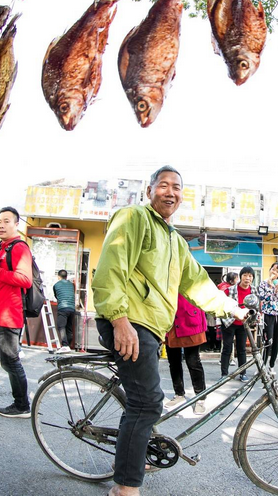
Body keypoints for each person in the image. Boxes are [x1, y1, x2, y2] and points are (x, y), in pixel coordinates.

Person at [92, 166, 246, 496]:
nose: (171, 192)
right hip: (130, 321)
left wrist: (235, 309)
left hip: (151, 327)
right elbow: (111, 267)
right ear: (150, 191)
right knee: (147, 404)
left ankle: (137, 452)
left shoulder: (176, 242)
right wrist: (119, 320)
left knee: (146, 398)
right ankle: (124, 487)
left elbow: (199, 284)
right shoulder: (134, 217)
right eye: (163, 185)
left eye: (177, 187)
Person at [0, 206, 33, 419]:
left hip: (9, 316)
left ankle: (22, 405)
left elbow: (25, 280)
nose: (1, 225)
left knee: (9, 361)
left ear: (16, 224)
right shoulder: (0, 247)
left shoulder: (19, 248)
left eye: (6, 221)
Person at [164, 294, 208, 415]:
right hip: (170, 321)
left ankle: (200, 397)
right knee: (173, 362)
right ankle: (179, 394)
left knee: (193, 361)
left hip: (190, 317)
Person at [221, 266, 256, 382]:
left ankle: (243, 373)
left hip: (244, 324)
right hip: (229, 322)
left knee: (242, 349)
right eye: (245, 275)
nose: (247, 278)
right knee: (227, 348)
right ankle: (224, 374)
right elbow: (221, 303)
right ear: (240, 277)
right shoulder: (230, 290)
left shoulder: (254, 291)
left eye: (250, 276)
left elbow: (257, 307)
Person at [258, 262, 278, 375]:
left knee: (276, 341)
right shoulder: (263, 283)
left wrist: (277, 289)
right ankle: (263, 366)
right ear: (269, 270)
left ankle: (272, 365)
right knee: (268, 341)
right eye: (273, 269)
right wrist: (270, 286)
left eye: (277, 271)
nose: (274, 272)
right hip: (268, 315)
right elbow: (263, 297)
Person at [216, 272, 238, 364]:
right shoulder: (229, 289)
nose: (238, 280)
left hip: (222, 316)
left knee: (224, 341)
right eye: (236, 278)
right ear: (232, 280)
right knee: (230, 341)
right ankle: (231, 359)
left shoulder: (221, 287)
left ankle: (223, 359)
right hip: (229, 317)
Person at [53, 269, 76, 353]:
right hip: (72, 308)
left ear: (58, 276)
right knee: (69, 328)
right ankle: (68, 345)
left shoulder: (56, 285)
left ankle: (65, 345)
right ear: (66, 276)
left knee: (61, 326)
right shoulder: (71, 285)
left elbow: (56, 296)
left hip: (63, 308)